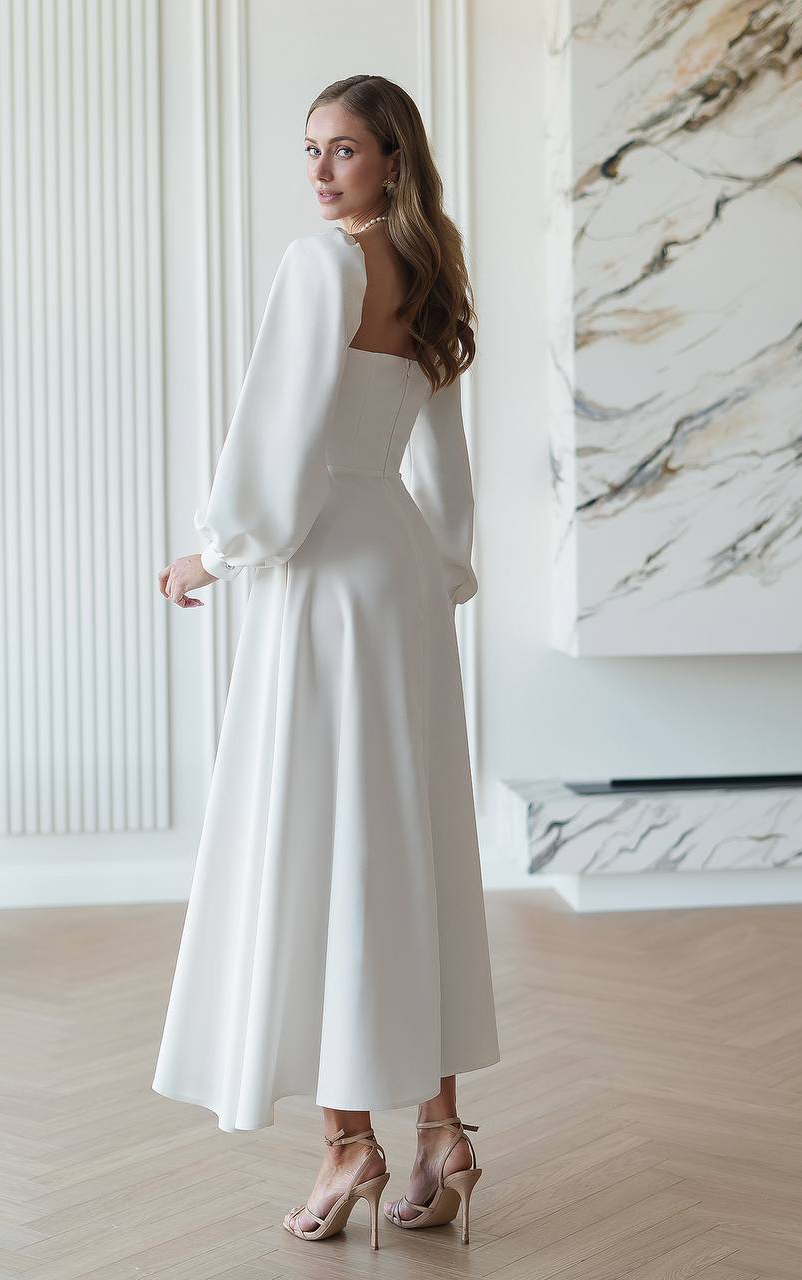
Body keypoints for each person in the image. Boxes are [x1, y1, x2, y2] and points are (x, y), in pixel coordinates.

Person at [153, 74, 500, 1250]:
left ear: (391, 159)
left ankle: (349, 1141)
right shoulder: (435, 273)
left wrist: (215, 551)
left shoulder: (321, 264)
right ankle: (440, 1130)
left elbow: (281, 435)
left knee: (317, 837)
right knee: (407, 837)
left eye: (342, 150)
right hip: (396, 568)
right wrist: (442, 564)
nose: (317, 170)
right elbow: (442, 461)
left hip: (319, 573)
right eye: (310, 148)